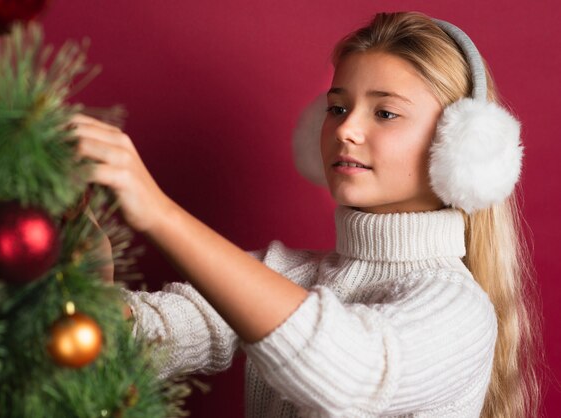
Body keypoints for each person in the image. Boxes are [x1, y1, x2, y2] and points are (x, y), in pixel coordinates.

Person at [68, 11, 543, 418]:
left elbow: (348, 372)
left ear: (461, 148)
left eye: (385, 113)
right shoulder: (284, 276)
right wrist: (88, 267)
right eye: (338, 108)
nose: (346, 129)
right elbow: (128, 343)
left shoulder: (458, 309)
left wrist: (159, 214)